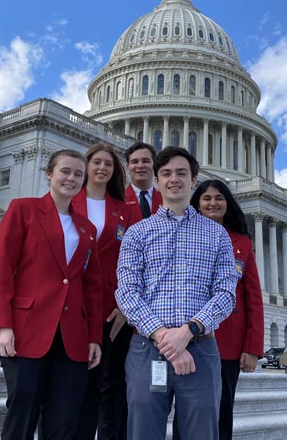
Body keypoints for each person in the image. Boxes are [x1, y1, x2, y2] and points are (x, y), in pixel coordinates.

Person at [115, 146, 238, 440]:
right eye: (166, 173)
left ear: (193, 180)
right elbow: (127, 292)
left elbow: (225, 293)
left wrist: (187, 331)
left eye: (181, 173)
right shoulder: (137, 232)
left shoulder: (217, 234)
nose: (174, 179)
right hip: (147, 350)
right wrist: (162, 335)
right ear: (156, 181)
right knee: (143, 432)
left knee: (202, 433)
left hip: (200, 348)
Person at [0, 149, 103, 440]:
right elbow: (1, 268)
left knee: (64, 419)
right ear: (49, 173)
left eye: (78, 174)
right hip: (26, 330)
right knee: (22, 410)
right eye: (65, 171)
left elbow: (92, 286)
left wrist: (94, 337)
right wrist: (1, 325)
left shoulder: (87, 228)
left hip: (72, 335)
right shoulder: (22, 209)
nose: (71, 178)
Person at [174, 179, 264, 440]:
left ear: (228, 203)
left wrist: (252, 347)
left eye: (219, 198)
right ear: (197, 204)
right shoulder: (183, 234)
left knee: (222, 410)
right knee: (187, 410)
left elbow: (253, 298)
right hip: (188, 336)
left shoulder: (242, 244)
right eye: (207, 198)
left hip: (228, 341)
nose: (213, 203)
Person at [72, 143, 136, 440]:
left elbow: (138, 260)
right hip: (72, 304)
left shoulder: (125, 210)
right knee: (70, 382)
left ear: (115, 171)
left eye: (108, 164)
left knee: (109, 384)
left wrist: (126, 306)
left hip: (113, 309)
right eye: (96, 162)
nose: (101, 168)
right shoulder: (68, 201)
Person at [125, 141, 162, 219]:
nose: (140, 166)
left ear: (154, 165)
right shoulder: (118, 200)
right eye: (135, 162)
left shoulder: (165, 201)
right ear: (128, 167)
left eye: (145, 161)